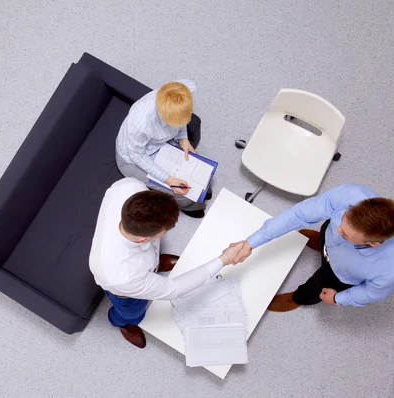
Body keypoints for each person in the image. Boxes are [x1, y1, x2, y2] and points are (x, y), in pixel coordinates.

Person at [89, 178, 244, 348]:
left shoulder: (130, 186)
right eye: (163, 232)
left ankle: (153, 267)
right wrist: (224, 259)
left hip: (142, 264)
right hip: (126, 294)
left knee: (151, 258)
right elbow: (174, 289)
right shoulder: (123, 276)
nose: (164, 234)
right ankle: (122, 323)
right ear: (144, 239)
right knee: (133, 313)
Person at [229, 184, 394, 311]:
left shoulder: (388, 271)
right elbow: (299, 214)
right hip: (327, 241)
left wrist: (338, 299)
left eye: (346, 235)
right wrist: (250, 243)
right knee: (326, 233)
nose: (338, 230)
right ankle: (321, 243)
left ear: (374, 243)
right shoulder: (351, 194)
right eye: (342, 220)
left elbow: (370, 293)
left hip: (338, 275)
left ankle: (297, 298)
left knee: (314, 288)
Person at [115, 79, 210, 218]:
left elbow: (181, 119)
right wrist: (169, 180)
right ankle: (190, 206)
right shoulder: (140, 124)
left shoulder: (186, 89)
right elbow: (137, 156)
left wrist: (183, 138)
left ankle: (202, 191)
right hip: (133, 158)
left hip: (160, 142)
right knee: (182, 192)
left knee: (197, 170)